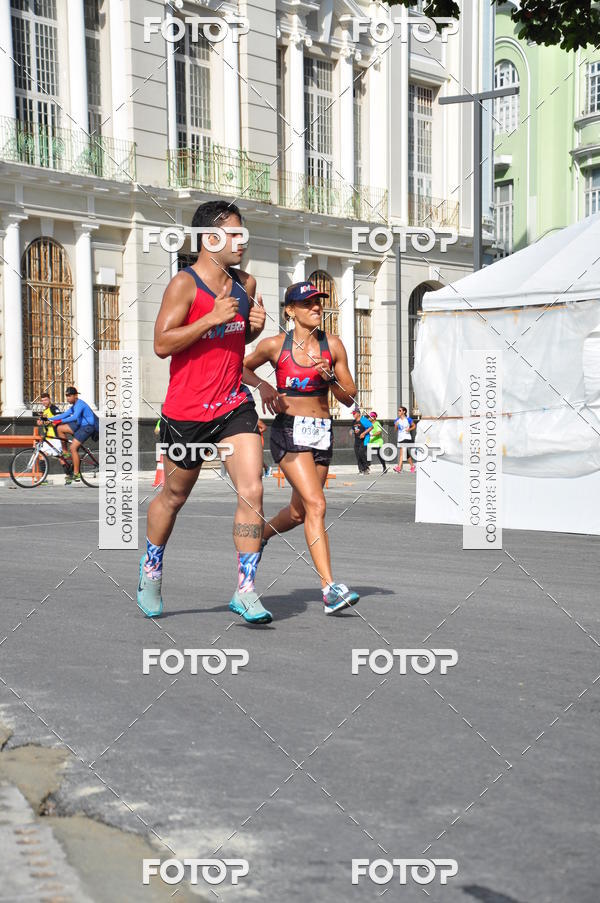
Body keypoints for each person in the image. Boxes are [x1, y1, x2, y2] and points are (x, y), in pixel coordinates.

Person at [138, 199, 279, 623]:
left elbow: (235, 342)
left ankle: (246, 589)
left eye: (242, 234)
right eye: (233, 234)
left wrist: (252, 329)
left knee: (252, 490)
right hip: (187, 411)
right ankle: (151, 568)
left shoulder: (246, 283)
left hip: (233, 405)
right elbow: (162, 344)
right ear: (207, 239)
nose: (241, 242)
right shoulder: (184, 284)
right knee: (174, 496)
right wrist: (210, 318)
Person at [243, 281, 360, 614]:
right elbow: (238, 367)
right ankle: (329, 589)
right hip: (289, 430)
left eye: (318, 302)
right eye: (307, 303)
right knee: (317, 504)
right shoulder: (273, 346)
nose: (316, 307)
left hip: (321, 433)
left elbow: (349, 397)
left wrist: (330, 378)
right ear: (290, 311)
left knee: (299, 512)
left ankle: (261, 536)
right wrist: (263, 386)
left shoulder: (332, 345)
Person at [46, 387, 99, 485]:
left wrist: (59, 421)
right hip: (80, 426)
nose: (67, 398)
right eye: (66, 396)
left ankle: (76, 473)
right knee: (60, 428)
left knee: (73, 448)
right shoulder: (74, 405)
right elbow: (65, 414)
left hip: (87, 427)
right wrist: (49, 419)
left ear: (75, 395)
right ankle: (65, 452)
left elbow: (74, 417)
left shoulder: (80, 404)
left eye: (69, 396)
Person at [393, 406, 416, 473]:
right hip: (400, 438)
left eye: (400, 410)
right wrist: (396, 425)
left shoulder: (408, 419)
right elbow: (395, 430)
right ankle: (412, 466)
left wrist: (409, 429)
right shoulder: (397, 420)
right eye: (398, 410)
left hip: (406, 437)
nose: (398, 412)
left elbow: (414, 426)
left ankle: (399, 467)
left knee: (402, 452)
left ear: (404, 411)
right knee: (405, 453)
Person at [350, 408, 369, 474]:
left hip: (364, 439)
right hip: (357, 439)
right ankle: (361, 469)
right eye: (353, 414)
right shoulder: (354, 421)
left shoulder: (363, 420)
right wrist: (351, 431)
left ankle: (366, 468)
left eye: (354, 413)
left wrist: (364, 433)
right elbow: (352, 429)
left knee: (361, 453)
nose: (353, 415)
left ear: (358, 413)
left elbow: (371, 427)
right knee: (357, 454)